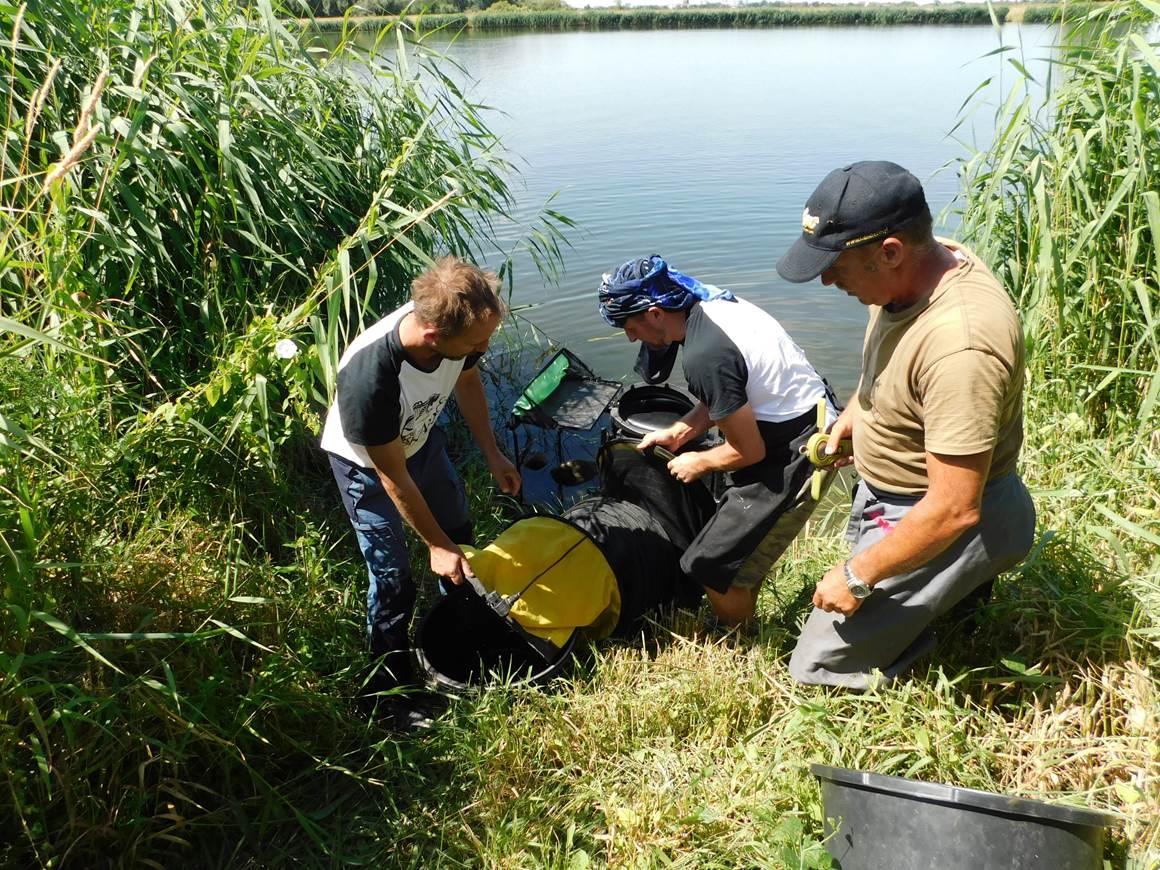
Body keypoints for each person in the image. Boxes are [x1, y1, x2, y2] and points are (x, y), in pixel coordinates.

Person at [775, 160, 1036, 689]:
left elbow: (954, 508)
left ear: (890, 251)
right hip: (901, 498)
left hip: (942, 515)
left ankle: (934, 616)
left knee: (813, 672)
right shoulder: (915, 271)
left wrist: (858, 575)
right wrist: (856, 416)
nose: (827, 279)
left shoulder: (961, 345)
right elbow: (889, 365)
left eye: (837, 266)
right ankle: (944, 601)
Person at [321, 256, 521, 726]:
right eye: (476, 342)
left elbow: (467, 379)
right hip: (367, 465)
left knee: (461, 535)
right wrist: (433, 544)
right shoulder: (370, 377)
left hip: (418, 439)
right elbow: (392, 477)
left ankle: (460, 635)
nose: (484, 348)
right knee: (393, 578)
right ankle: (385, 694)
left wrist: (492, 453)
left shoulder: (462, 332)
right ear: (433, 336)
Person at [597, 255, 838, 625]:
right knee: (733, 559)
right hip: (794, 419)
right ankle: (743, 616)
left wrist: (700, 461)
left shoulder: (704, 353)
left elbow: (749, 450)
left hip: (797, 447)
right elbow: (730, 394)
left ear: (656, 313)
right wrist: (682, 430)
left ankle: (738, 642)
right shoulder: (710, 305)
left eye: (629, 326)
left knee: (709, 567)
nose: (630, 337)